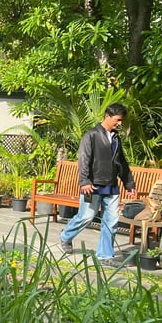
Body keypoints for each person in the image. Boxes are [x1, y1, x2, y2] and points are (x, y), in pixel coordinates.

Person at [60, 103, 136, 263]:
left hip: (112, 186)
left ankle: (105, 256)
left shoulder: (116, 138)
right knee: (86, 217)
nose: (120, 124)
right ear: (107, 116)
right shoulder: (91, 135)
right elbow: (84, 159)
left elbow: (121, 162)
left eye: (121, 121)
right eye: (118, 120)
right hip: (92, 186)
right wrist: (84, 181)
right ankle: (65, 236)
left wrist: (129, 184)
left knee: (112, 221)